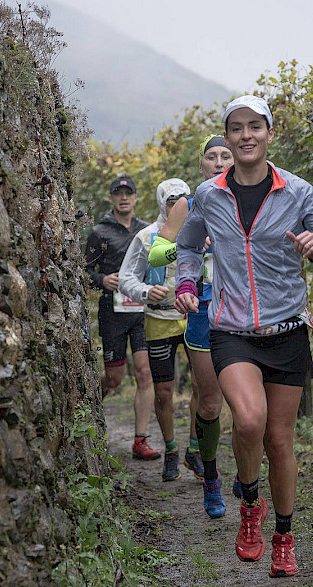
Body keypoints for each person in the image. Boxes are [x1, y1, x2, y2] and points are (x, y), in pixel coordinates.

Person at [175, 96, 313, 577]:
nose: (246, 135)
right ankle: (249, 508)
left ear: (269, 134)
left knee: (279, 441)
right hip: (232, 331)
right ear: (228, 137)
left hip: (287, 332)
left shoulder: (297, 193)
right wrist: (187, 281)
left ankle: (284, 536)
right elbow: (188, 245)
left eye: (255, 126)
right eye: (236, 128)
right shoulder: (209, 195)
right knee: (250, 421)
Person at [147, 135, 234, 518]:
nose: (218, 162)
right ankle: (209, 473)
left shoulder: (260, 199)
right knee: (210, 398)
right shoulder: (190, 204)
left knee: (254, 403)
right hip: (202, 307)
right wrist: (196, 245)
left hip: (250, 309)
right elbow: (158, 253)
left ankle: (248, 479)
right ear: (201, 166)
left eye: (225, 155)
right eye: (211, 157)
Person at [118, 178, 195, 483]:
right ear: (161, 203)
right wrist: (144, 291)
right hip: (159, 319)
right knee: (163, 392)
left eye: (182, 199)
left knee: (204, 387)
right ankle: (172, 450)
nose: (177, 205)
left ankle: (196, 450)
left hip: (195, 318)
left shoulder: (201, 229)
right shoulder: (146, 236)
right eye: (170, 200)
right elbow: (126, 278)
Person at [84, 176, 159, 461]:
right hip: (112, 312)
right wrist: (103, 279)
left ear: (136, 198)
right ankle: (91, 403)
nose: (124, 198)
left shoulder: (148, 231)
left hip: (141, 311)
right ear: (111, 198)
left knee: (144, 372)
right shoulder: (99, 233)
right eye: (118, 193)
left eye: (129, 193)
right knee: (114, 378)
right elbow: (84, 271)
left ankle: (140, 440)